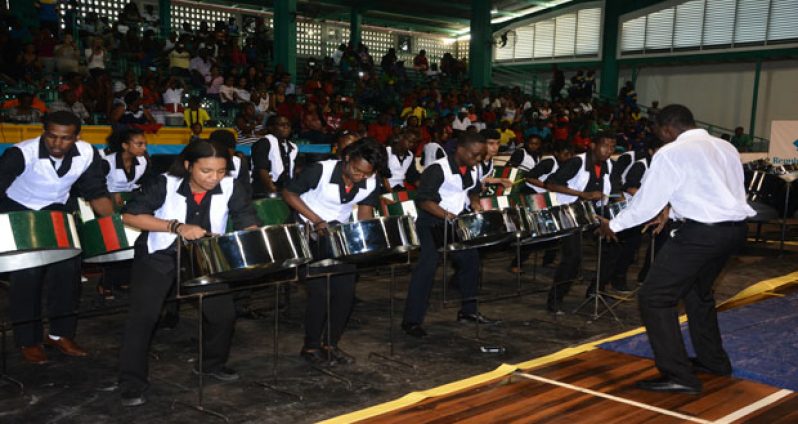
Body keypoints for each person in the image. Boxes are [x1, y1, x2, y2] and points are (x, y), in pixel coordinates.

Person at [598, 104, 755, 394]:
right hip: (733, 231)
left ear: (667, 129)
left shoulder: (670, 152)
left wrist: (615, 225)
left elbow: (646, 202)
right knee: (698, 294)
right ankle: (713, 362)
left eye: (658, 131)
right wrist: (673, 210)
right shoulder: (725, 147)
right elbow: (717, 190)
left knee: (655, 297)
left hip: (701, 234)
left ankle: (678, 375)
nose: (658, 136)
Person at [118, 140, 260, 406]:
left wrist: (253, 237)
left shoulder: (231, 186)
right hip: (159, 256)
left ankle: (211, 364)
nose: (214, 178)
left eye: (220, 171)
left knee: (223, 315)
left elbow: (246, 218)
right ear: (188, 166)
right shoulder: (165, 183)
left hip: (203, 257)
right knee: (144, 318)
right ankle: (131, 382)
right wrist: (176, 226)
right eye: (206, 171)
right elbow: (130, 216)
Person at [0, 111, 114, 364]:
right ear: (44, 131)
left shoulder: (87, 153)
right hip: (18, 210)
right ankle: (28, 340)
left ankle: (60, 334)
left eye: (65, 138)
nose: (57, 143)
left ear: (76, 137)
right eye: (51, 136)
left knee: (68, 274)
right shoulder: (20, 153)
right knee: (27, 276)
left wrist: (115, 225)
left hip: (56, 212)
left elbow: (96, 191)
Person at [282, 138, 388, 365]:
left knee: (345, 293)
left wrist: (365, 240)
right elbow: (289, 194)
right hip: (307, 232)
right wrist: (317, 221)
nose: (361, 177)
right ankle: (310, 347)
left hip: (338, 237)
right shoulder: (320, 170)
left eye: (366, 174)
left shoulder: (371, 181)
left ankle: (330, 345)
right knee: (320, 293)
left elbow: (365, 213)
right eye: (357, 171)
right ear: (347, 158)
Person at [402, 132, 498, 338]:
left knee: (471, 261)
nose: (478, 160)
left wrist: (473, 201)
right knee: (427, 267)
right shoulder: (438, 169)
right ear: (460, 150)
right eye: (474, 155)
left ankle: (468, 311)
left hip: (454, 221)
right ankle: (411, 320)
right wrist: (447, 215)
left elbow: (472, 189)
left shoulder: (474, 167)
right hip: (431, 223)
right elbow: (424, 200)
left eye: (480, 155)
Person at [544, 132, 615, 313]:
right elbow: (550, 184)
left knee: (614, 246)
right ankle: (555, 299)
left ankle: (595, 289)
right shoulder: (577, 162)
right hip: (570, 212)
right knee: (572, 258)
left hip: (594, 214)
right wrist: (582, 195)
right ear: (592, 146)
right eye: (605, 146)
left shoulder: (608, 165)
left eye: (612, 147)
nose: (609, 151)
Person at [94, 128, 152, 300]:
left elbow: (146, 183)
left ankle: (123, 280)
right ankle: (105, 283)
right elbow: (94, 184)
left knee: (133, 244)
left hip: (130, 204)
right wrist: (111, 192)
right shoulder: (107, 163)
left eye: (145, 144)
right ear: (125, 145)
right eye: (139, 144)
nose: (144, 148)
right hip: (106, 205)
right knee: (113, 244)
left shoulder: (143, 161)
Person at [251, 116, 297, 195]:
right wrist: (272, 189)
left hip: (284, 188)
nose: (286, 127)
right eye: (281, 124)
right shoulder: (264, 143)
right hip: (264, 189)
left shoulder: (293, 147)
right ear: (271, 128)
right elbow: (261, 169)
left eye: (288, 125)